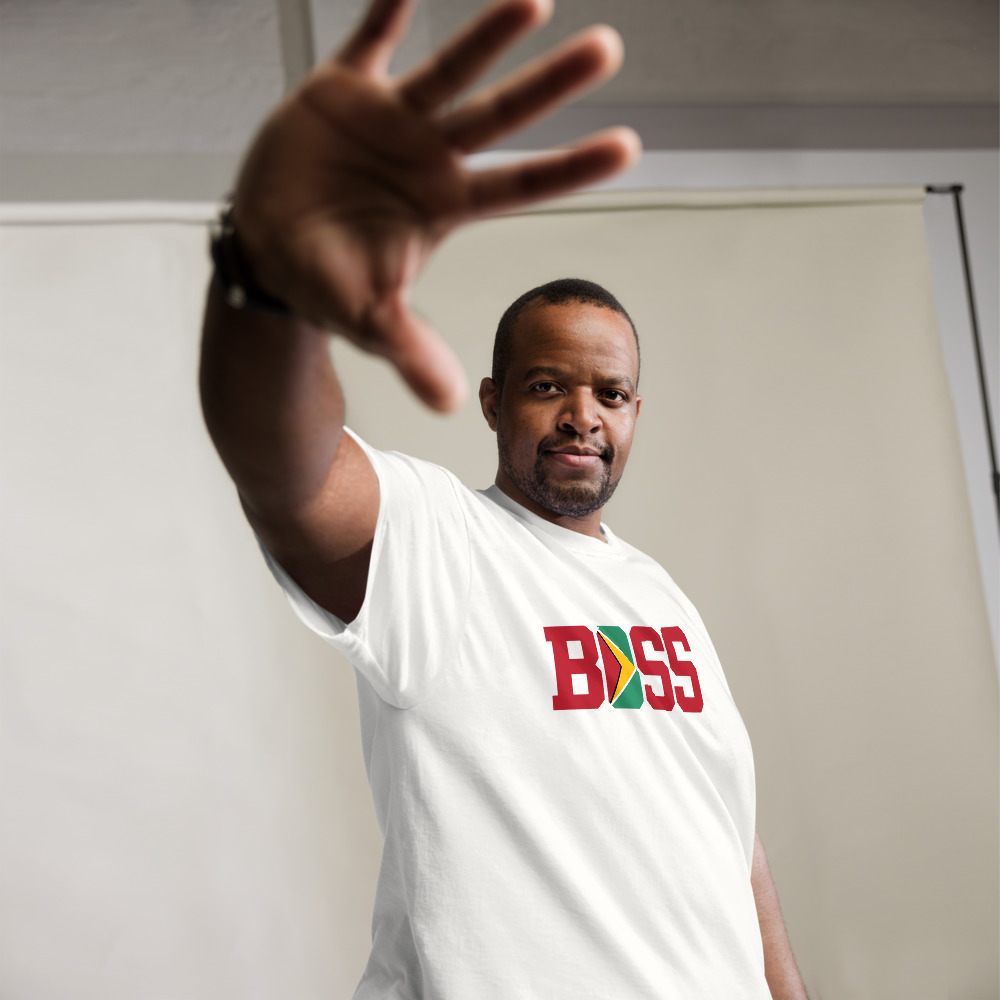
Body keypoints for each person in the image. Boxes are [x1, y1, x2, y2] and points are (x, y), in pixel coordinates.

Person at [199, 0, 809, 996]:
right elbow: (287, 472)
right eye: (547, 385)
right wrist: (268, 280)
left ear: (636, 412)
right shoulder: (440, 542)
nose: (582, 416)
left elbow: (730, 837)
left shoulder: (658, 595)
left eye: (610, 394)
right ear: (493, 401)